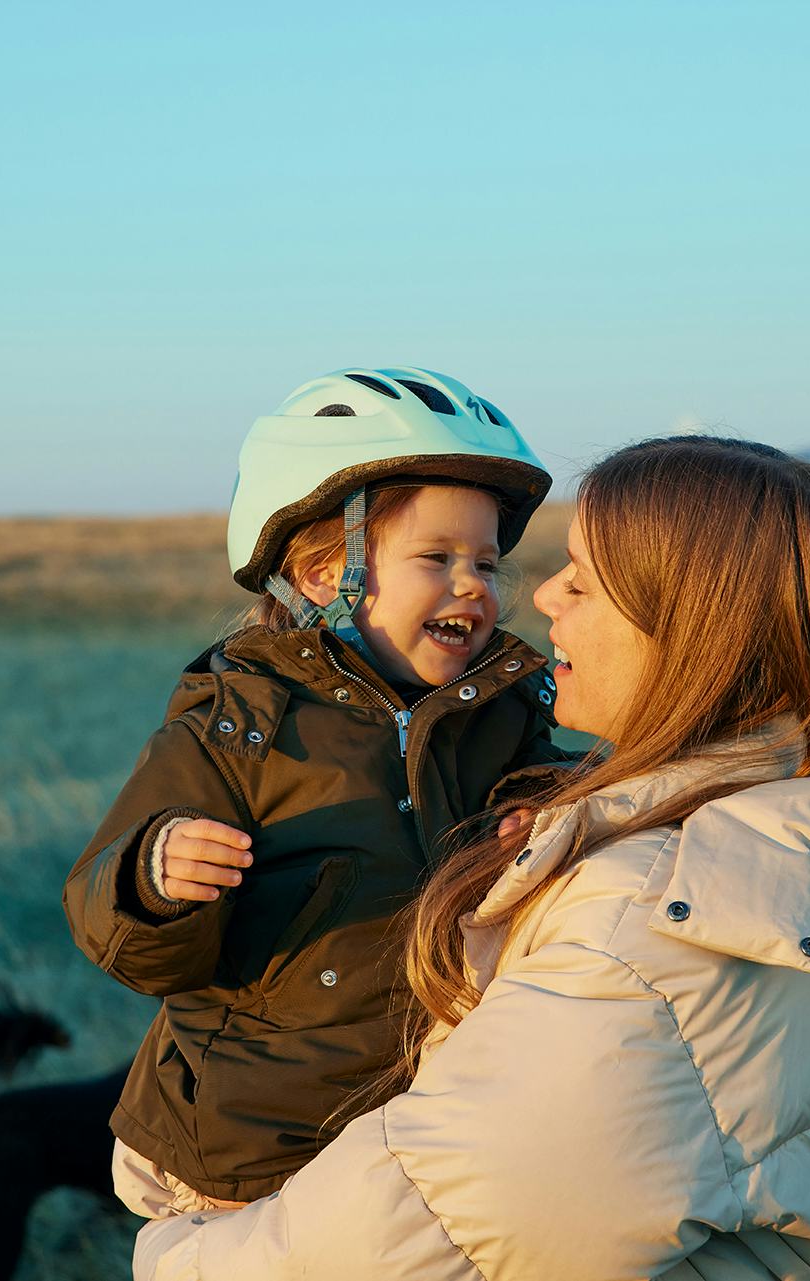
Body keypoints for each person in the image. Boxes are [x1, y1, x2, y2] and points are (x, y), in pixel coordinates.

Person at [132, 436, 810, 1281]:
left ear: (690, 633)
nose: (536, 592)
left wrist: (176, 1247)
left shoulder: (653, 917)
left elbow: (413, 1236)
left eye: (583, 578)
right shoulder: (779, 827)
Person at [63, 366, 569, 1216]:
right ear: (325, 572)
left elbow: (538, 777)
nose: (474, 585)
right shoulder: (239, 722)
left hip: (423, 1123)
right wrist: (154, 880)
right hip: (252, 1149)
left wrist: (541, 803)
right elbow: (111, 919)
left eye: (487, 560)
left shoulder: (501, 706)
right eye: (436, 558)